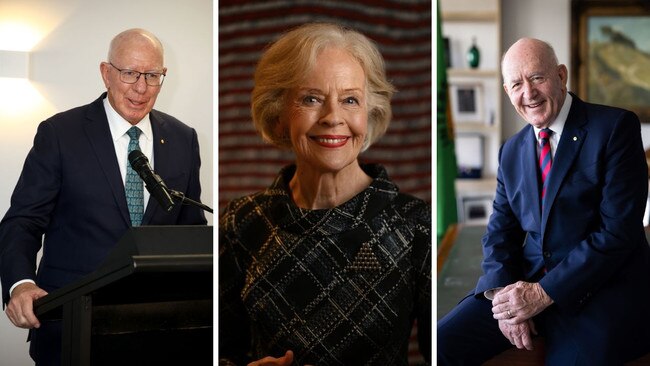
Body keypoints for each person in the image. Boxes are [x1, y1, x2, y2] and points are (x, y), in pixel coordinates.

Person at [219, 23, 431, 366]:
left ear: (369, 112)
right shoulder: (242, 221)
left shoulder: (414, 224)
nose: (333, 118)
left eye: (350, 100)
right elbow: (220, 350)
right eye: (311, 99)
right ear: (278, 116)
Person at [437, 37, 650, 365]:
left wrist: (543, 292)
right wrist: (505, 301)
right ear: (508, 92)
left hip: (600, 293)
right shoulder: (511, 150)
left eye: (537, 78)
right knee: (441, 344)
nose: (529, 93)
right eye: (517, 84)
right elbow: (499, 233)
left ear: (561, 75)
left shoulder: (615, 127)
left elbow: (617, 233)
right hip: (526, 285)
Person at [0, 28, 207, 364]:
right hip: (72, 328)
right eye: (129, 73)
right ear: (106, 73)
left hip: (159, 334)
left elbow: (191, 233)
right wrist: (21, 284)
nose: (141, 87)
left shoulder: (184, 138)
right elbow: (23, 221)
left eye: (152, 75)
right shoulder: (59, 134)